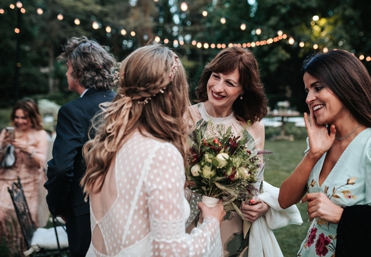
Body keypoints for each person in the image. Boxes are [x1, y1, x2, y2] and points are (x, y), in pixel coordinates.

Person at [80, 44, 225, 256]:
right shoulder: (160, 154)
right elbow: (170, 252)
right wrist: (212, 222)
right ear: (173, 94)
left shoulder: (110, 142)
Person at [278, 50, 371, 257]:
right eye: (307, 90)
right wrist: (313, 154)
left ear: (345, 87)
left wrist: (344, 217)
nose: (309, 98)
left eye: (317, 87)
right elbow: (284, 200)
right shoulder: (322, 142)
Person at [186, 46, 300, 256]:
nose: (218, 87)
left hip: (235, 228)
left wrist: (262, 206)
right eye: (216, 76)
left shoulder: (253, 128)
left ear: (243, 91)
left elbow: (255, 184)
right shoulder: (186, 118)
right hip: (190, 221)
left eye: (230, 83)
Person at [45, 37, 117, 257]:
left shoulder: (71, 111)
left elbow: (61, 168)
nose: (66, 74)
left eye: (68, 68)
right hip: (120, 208)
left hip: (84, 212)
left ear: (77, 74)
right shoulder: (122, 104)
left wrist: (58, 207)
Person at [0, 99, 50, 254]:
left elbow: (41, 163)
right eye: (17, 117)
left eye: (24, 118)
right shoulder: (7, 132)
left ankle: (21, 251)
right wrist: (2, 146)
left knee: (24, 223)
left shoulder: (40, 134)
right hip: (6, 181)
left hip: (29, 184)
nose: (19, 121)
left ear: (32, 117)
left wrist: (29, 150)